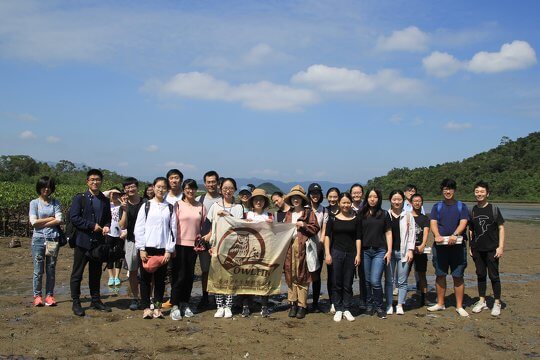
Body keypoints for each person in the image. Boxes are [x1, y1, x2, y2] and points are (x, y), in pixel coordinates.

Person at [69, 169, 112, 316]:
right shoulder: (80, 198)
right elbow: (74, 218)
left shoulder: (105, 200)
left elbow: (108, 218)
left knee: (96, 273)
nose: (95, 182)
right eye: (92, 179)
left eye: (98, 179)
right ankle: (76, 302)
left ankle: (96, 300)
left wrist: (106, 226)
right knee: (77, 274)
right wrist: (91, 225)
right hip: (82, 242)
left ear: (101, 181)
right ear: (87, 181)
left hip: (98, 244)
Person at [134, 177, 177, 319]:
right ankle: (146, 307)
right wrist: (141, 248)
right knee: (145, 279)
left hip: (162, 249)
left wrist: (169, 250)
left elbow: (173, 230)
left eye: (164, 187)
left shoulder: (170, 207)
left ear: (167, 189)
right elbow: (139, 228)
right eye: (158, 187)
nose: (160, 189)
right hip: (147, 248)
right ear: (153, 187)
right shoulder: (146, 206)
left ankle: (158, 308)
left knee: (160, 280)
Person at [428, 178, 470, 317]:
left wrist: (455, 234)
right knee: (440, 274)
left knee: (458, 275)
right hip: (440, 246)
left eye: (450, 188)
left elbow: (463, 222)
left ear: (454, 190)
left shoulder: (461, 206)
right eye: (445, 188)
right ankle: (440, 303)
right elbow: (433, 222)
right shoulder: (437, 207)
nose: (448, 191)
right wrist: (437, 235)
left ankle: (459, 306)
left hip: (457, 246)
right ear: (442, 190)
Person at [206, 178, 244, 318]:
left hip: (233, 247)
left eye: (231, 188)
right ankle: (219, 306)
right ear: (220, 189)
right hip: (217, 246)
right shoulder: (215, 206)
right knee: (217, 276)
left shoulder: (238, 207)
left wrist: (228, 215)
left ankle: (228, 306)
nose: (228, 190)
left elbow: (240, 225)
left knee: (230, 276)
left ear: (234, 189)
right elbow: (211, 227)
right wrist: (211, 243)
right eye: (225, 188)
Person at [170, 179, 207, 320]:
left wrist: (204, 239)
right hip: (179, 245)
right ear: (183, 190)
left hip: (193, 246)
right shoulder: (177, 205)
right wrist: (171, 246)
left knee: (189, 276)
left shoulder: (201, 207)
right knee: (178, 275)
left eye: (193, 188)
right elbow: (172, 226)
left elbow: (205, 226)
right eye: (187, 188)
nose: (190, 191)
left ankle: (185, 303)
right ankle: (174, 304)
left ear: (196, 190)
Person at [283, 185, 320, 320]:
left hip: (303, 247)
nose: (296, 200)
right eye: (293, 198)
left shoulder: (308, 213)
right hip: (289, 247)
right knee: (290, 275)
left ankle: (302, 305)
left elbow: (316, 228)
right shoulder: (288, 213)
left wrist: (304, 225)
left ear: (302, 199)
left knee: (303, 276)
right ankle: (292, 304)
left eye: (298, 197)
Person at [469, 181, 505, 317]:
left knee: (494, 276)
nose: (479, 194)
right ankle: (482, 300)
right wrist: (471, 246)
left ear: (487, 193)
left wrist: (500, 247)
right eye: (477, 191)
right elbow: (471, 229)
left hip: (492, 249)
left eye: (482, 191)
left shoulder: (494, 209)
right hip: (477, 249)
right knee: (480, 274)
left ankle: (497, 302)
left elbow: (501, 228)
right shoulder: (472, 210)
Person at [324, 192, 361, 322]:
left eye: (348, 202)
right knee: (336, 282)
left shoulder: (356, 218)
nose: (346, 205)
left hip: (351, 254)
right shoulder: (333, 218)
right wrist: (327, 254)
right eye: (343, 202)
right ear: (339, 203)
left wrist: (358, 254)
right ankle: (338, 308)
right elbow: (327, 236)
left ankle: (346, 308)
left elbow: (358, 238)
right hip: (336, 253)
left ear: (351, 203)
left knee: (348, 282)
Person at [29, 176, 63, 307]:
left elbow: (59, 219)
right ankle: (37, 296)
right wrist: (50, 218)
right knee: (38, 270)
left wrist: (41, 221)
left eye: (49, 187)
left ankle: (49, 295)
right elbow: (33, 222)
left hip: (53, 239)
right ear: (39, 187)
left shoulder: (56, 202)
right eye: (44, 186)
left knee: (51, 268)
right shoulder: (34, 203)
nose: (46, 189)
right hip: (38, 240)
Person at [241, 188, 274, 318]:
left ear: (265, 202)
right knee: (246, 278)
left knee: (264, 277)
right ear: (252, 201)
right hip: (248, 252)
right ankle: (245, 306)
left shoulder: (270, 216)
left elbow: (276, 234)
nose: (258, 202)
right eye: (256, 200)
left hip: (266, 252)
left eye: (261, 200)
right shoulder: (246, 216)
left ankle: (264, 306)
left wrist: (273, 225)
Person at [360, 188, 392, 319]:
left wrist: (389, 251)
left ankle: (379, 306)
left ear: (379, 199)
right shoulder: (362, 214)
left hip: (380, 250)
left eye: (375, 197)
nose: (372, 199)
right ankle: (369, 305)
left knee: (375, 280)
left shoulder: (384, 214)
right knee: (366, 281)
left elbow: (388, 232)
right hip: (365, 250)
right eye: (370, 197)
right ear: (366, 198)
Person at [384, 190, 416, 315]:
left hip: (403, 253)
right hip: (389, 253)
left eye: (399, 199)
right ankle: (389, 304)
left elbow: (412, 234)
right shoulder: (386, 215)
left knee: (402, 281)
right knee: (388, 280)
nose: (397, 202)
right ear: (390, 200)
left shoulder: (408, 215)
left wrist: (410, 250)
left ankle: (400, 304)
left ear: (403, 200)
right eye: (394, 199)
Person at [195, 170, 222, 310]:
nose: (211, 184)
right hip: (204, 242)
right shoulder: (200, 199)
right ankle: (205, 297)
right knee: (205, 270)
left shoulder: (224, 199)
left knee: (220, 270)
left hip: (221, 242)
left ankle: (220, 299)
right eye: (208, 182)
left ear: (218, 183)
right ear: (205, 183)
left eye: (213, 182)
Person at [119, 177, 144, 311]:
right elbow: (122, 225)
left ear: (137, 187)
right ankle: (135, 298)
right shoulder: (124, 205)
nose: (130, 189)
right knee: (133, 271)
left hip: (146, 241)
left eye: (132, 186)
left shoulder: (146, 203)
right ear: (124, 190)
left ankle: (147, 297)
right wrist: (124, 210)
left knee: (147, 271)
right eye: (127, 187)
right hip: (131, 241)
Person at [306, 183, 328, 313]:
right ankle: (302, 302)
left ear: (320, 195)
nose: (315, 195)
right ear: (309, 195)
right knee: (304, 274)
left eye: (317, 193)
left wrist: (321, 244)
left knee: (316, 275)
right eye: (313, 193)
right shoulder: (305, 209)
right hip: (305, 246)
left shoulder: (324, 210)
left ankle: (315, 303)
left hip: (318, 246)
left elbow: (324, 230)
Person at [410, 193, 430, 307]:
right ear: (411, 203)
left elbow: (426, 232)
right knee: (405, 273)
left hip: (421, 250)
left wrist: (422, 245)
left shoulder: (425, 218)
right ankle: (401, 299)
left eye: (419, 201)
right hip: (409, 249)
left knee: (422, 274)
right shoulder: (407, 216)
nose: (417, 203)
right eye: (415, 201)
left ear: (422, 203)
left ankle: (424, 298)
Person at [350, 183, 367, 310]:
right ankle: (348, 298)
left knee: (363, 274)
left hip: (364, 244)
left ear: (362, 193)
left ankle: (363, 299)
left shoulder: (366, 208)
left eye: (358, 192)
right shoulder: (346, 206)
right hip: (349, 245)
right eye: (354, 193)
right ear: (351, 194)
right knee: (349, 274)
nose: (356, 195)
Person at [104, 188, 124, 287]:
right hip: (109, 233)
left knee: (119, 255)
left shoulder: (122, 206)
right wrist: (110, 192)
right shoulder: (107, 205)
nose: (115, 196)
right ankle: (111, 277)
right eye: (113, 194)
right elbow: (102, 195)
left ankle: (117, 277)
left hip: (120, 234)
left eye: (117, 194)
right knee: (109, 255)